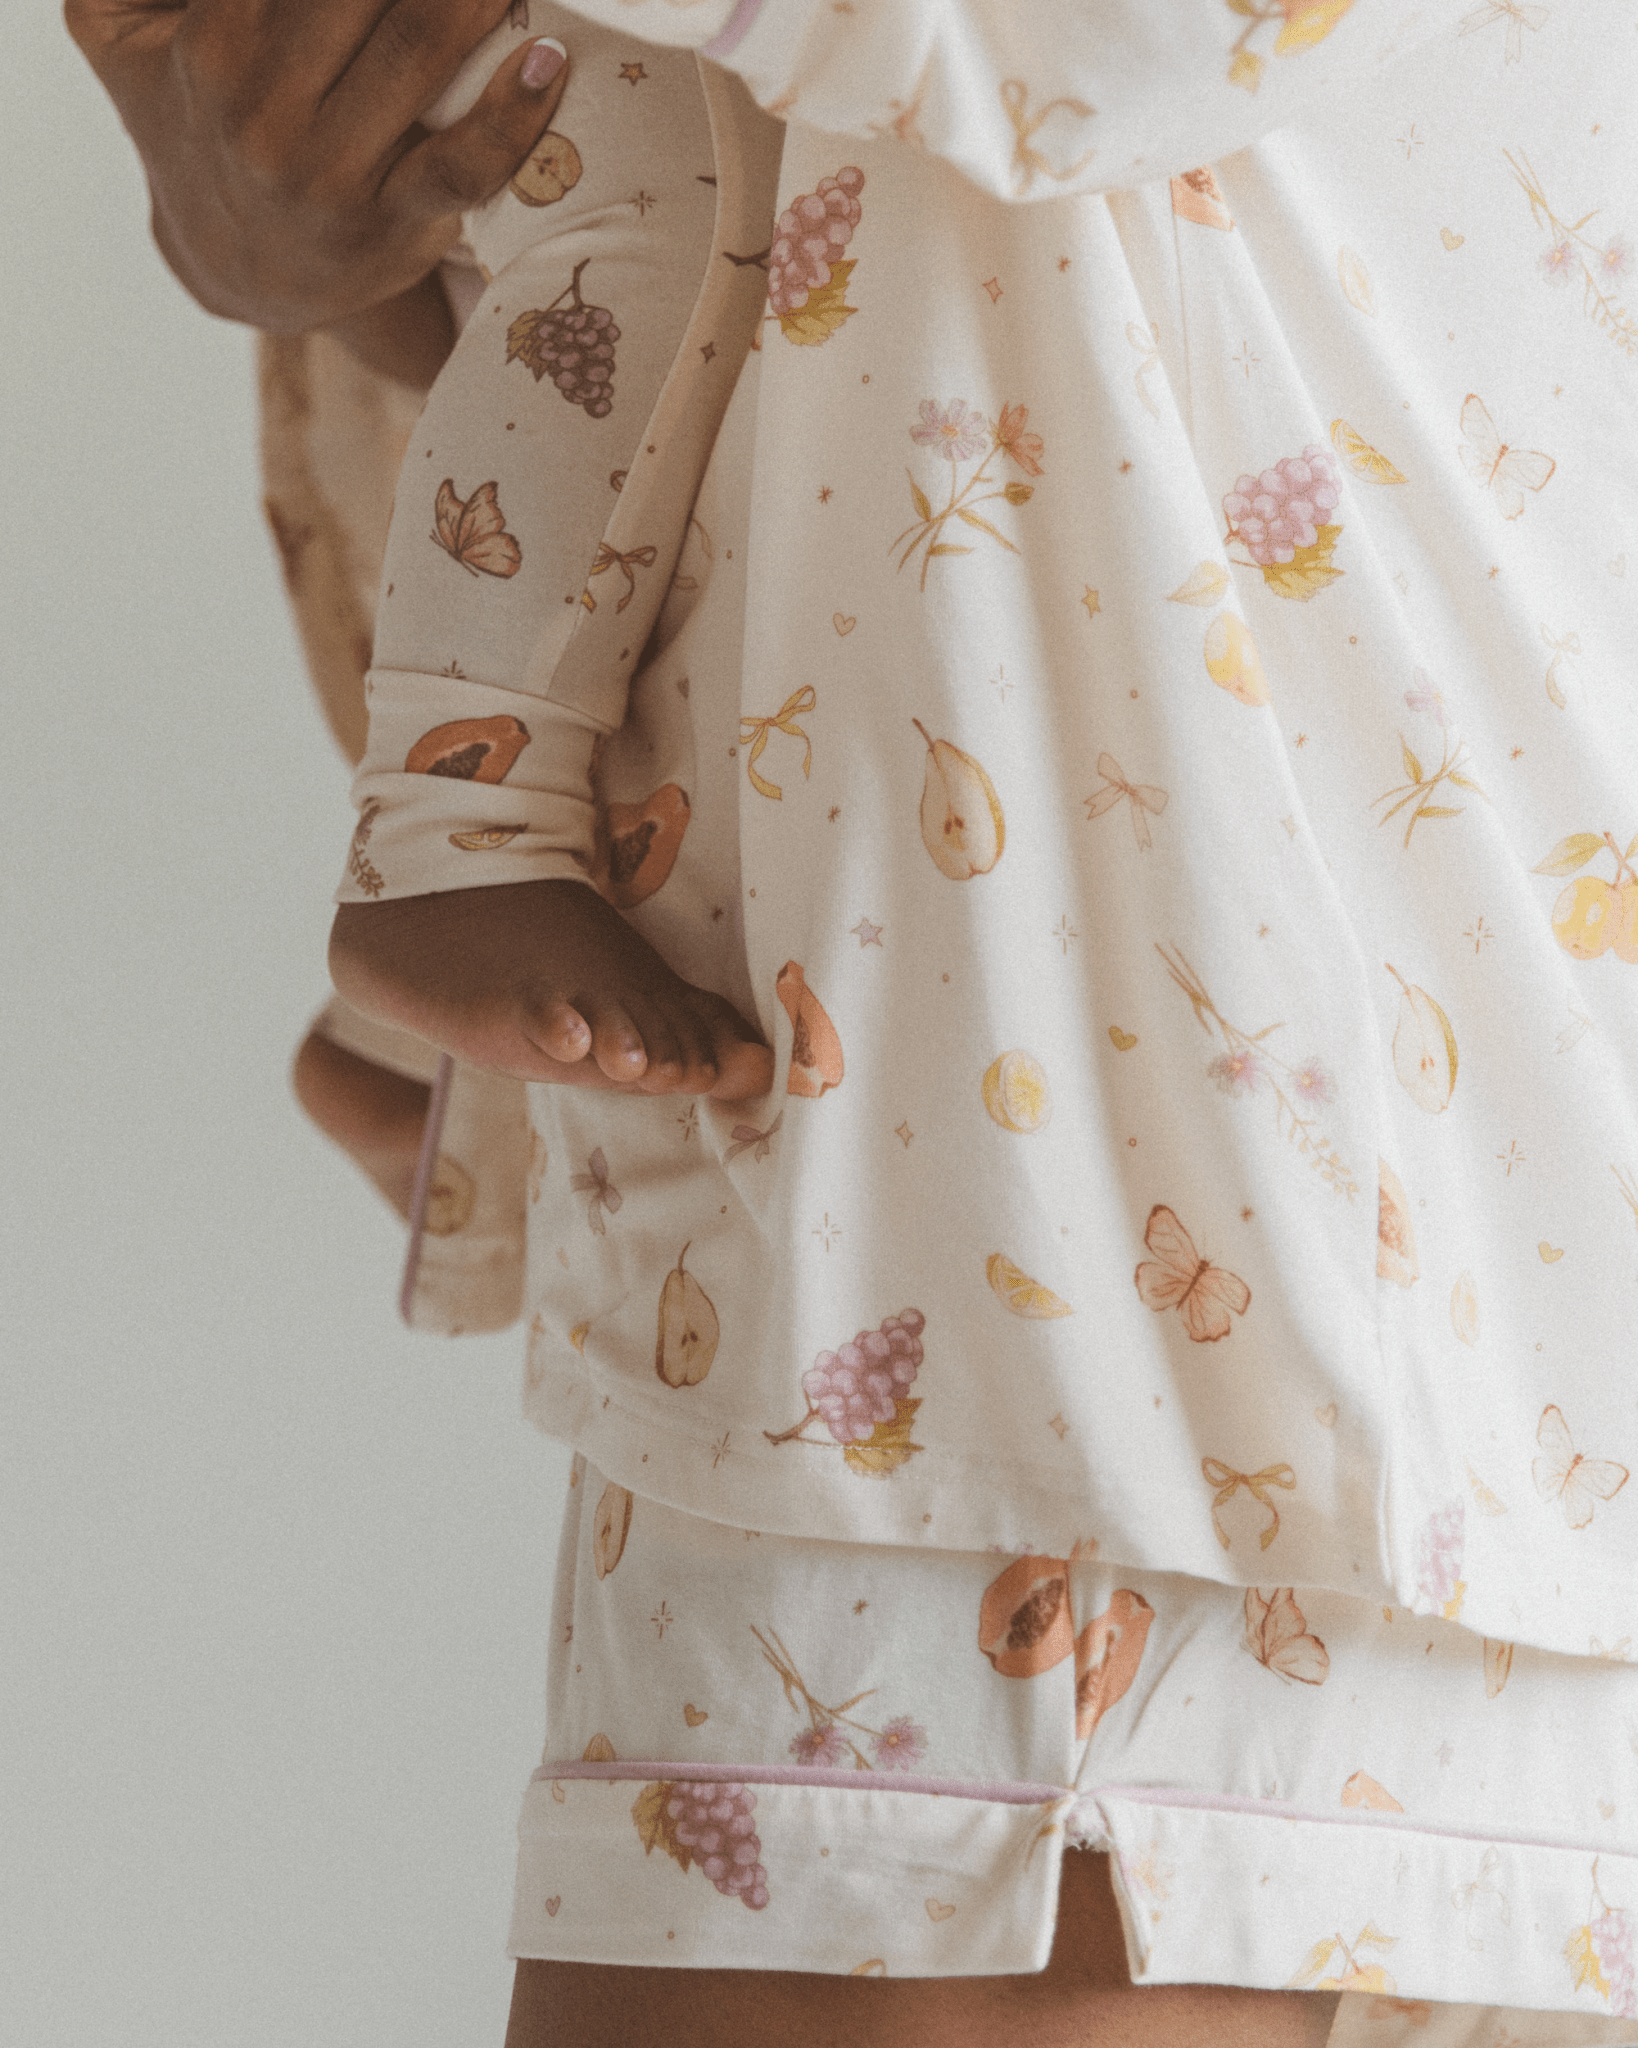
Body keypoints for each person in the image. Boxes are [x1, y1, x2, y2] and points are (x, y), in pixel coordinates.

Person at [73, 3, 1638, 2046]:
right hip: (1141, 1242)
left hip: (1158, 1268)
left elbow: (1107, 46)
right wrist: (306, 199)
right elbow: (641, 248)